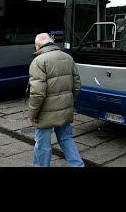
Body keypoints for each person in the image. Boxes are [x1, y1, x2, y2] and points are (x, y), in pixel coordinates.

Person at [28, 33, 84, 167]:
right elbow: (77, 86)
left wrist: (33, 114)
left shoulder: (38, 61)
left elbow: (38, 93)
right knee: (66, 138)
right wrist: (68, 102)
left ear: (38, 45)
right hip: (64, 109)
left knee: (42, 145)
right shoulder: (68, 58)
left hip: (45, 113)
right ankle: (78, 165)